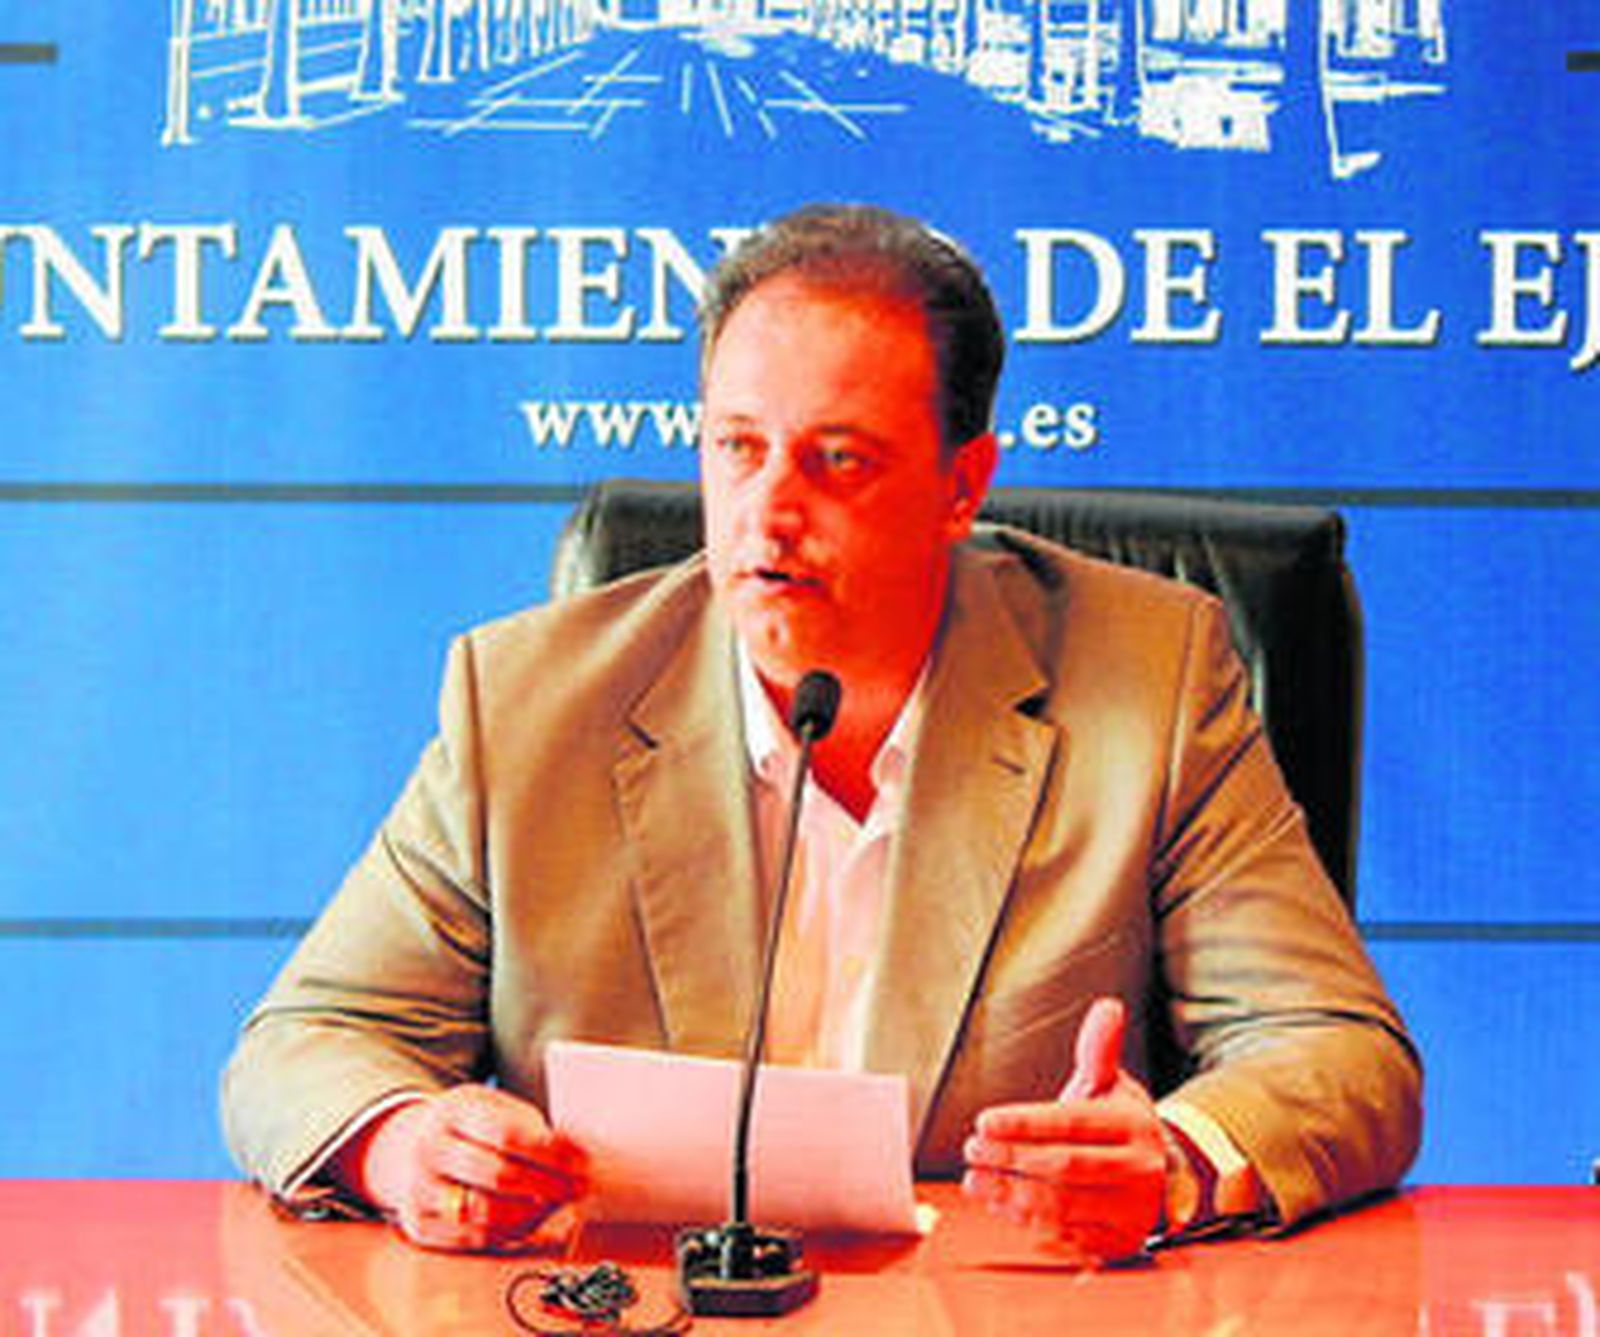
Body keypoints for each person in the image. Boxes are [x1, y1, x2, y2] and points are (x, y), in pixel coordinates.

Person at [222, 203, 1421, 1262]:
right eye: (737, 448)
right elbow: (304, 1043)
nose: (768, 513)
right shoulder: (528, 703)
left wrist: (1171, 1160)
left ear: (962, 485)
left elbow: (1341, 1053)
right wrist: (405, 1143)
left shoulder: (1149, 683)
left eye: (836, 460)